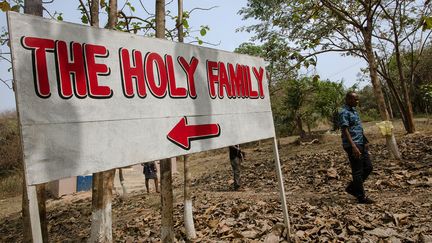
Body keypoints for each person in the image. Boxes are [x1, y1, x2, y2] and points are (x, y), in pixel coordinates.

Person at [339, 91, 374, 204]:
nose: (357, 101)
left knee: (368, 167)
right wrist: (353, 146)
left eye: (357, 99)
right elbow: (345, 130)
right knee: (357, 171)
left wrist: (365, 141)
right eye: (355, 99)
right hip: (352, 145)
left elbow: (358, 128)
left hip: (361, 142)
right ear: (349, 99)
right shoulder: (344, 112)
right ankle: (361, 197)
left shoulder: (354, 111)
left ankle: (352, 188)